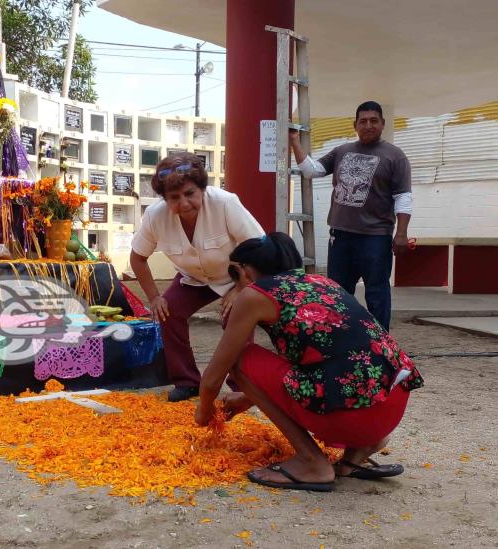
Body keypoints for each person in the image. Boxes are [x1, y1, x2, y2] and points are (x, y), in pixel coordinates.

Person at [195, 233, 423, 491]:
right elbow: (319, 360)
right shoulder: (322, 282)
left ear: (242, 271)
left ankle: (310, 461)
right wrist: (247, 398)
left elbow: (214, 375)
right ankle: (356, 456)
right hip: (390, 410)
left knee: (241, 358)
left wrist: (204, 414)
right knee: (335, 364)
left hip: (350, 417)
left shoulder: (255, 294)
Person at [130, 152, 264, 402]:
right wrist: (154, 297)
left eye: (190, 193)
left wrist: (240, 289)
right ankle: (187, 382)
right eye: (174, 198)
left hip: (236, 276)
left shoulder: (225, 202)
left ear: (202, 188)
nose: (183, 203)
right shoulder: (154, 216)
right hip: (193, 278)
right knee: (167, 312)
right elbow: (137, 258)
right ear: (164, 199)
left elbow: (258, 246)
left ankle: (240, 383)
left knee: (239, 316)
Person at [289, 101, 412, 330]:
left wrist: (401, 233)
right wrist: (294, 140)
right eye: (363, 121)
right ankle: (341, 342)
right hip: (341, 237)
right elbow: (312, 170)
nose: (368, 125)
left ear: (382, 124)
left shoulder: (395, 157)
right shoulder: (342, 151)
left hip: (375, 238)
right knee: (337, 294)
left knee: (377, 294)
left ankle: (381, 345)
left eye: (374, 121)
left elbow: (403, 197)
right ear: (355, 125)